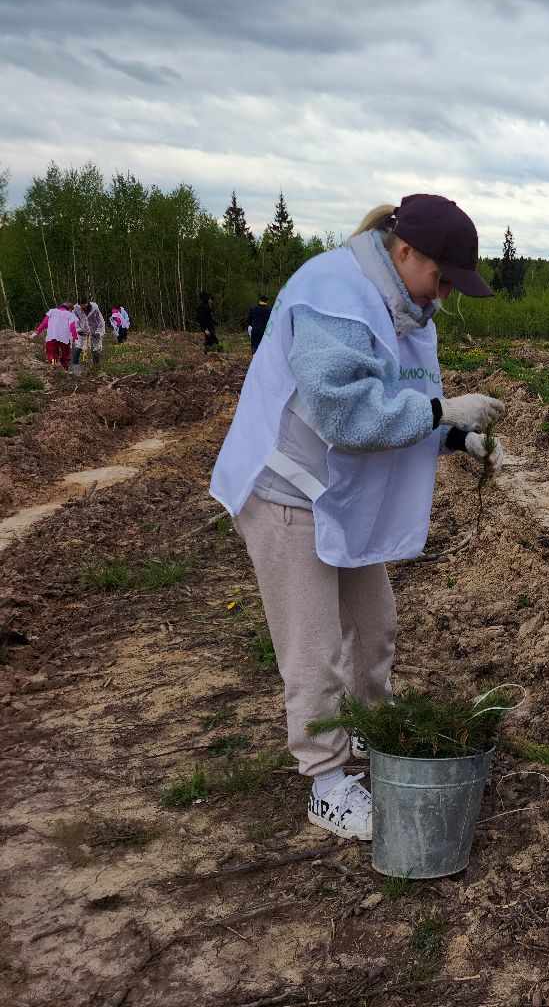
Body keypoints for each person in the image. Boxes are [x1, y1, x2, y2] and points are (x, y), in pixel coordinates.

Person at [209, 194, 504, 841]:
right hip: (286, 490)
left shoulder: (403, 301)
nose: (444, 297)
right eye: (442, 279)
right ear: (405, 253)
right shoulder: (334, 293)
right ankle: (327, 782)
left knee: (374, 626)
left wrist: (455, 438)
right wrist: (443, 415)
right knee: (312, 647)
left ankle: (375, 732)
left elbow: (403, 393)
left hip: (337, 493)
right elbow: (345, 412)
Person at [34, 302, 78, 368]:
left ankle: (53, 365)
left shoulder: (52, 311)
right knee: (65, 354)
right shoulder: (70, 315)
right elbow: (72, 327)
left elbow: (45, 323)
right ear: (70, 309)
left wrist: (37, 332)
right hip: (65, 337)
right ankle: (65, 368)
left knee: (52, 352)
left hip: (52, 336)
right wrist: (75, 337)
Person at [74, 297, 105, 367]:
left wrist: (98, 332)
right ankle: (75, 366)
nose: (83, 308)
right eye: (81, 306)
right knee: (78, 345)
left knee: (95, 348)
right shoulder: (76, 308)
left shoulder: (95, 309)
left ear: (87, 303)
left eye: (84, 305)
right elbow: (75, 320)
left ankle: (96, 366)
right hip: (83, 329)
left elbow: (101, 321)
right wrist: (78, 330)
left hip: (95, 329)